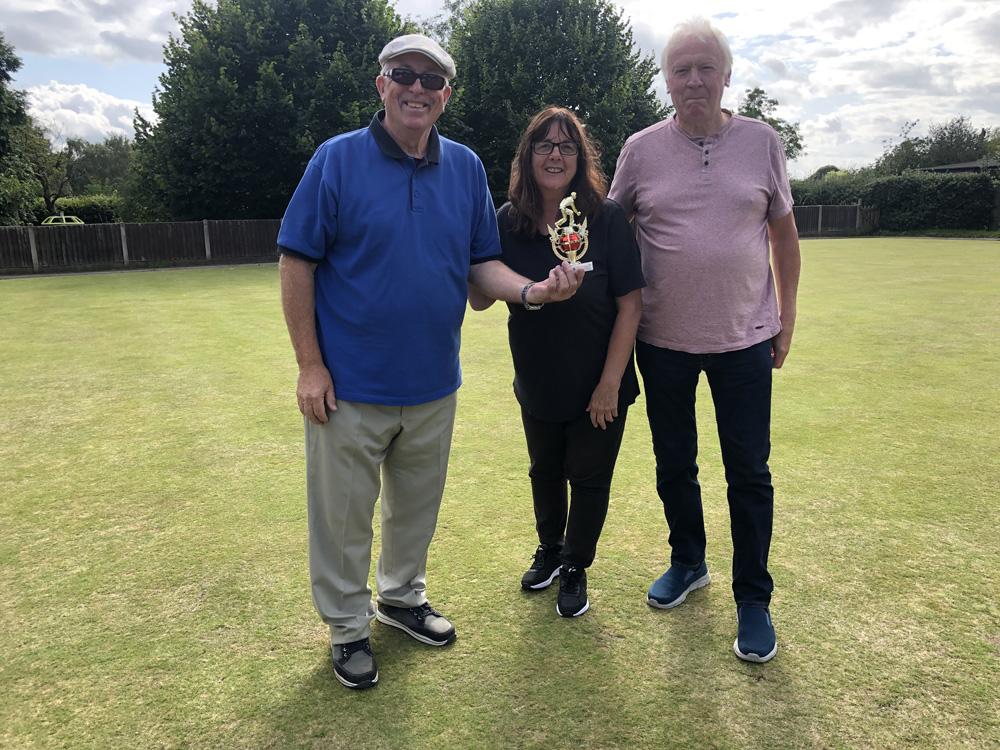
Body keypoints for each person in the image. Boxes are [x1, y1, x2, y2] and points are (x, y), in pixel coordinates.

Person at [277, 34, 584, 690]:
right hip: (349, 385)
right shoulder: (336, 160)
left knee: (414, 508)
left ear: (446, 95)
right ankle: (346, 628)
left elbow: (481, 265)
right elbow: (296, 259)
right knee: (342, 517)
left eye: (432, 79)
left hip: (433, 380)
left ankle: (400, 598)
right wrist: (309, 364)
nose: (417, 87)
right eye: (404, 75)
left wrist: (531, 291)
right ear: (382, 84)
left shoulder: (466, 167)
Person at [608, 17, 801, 663]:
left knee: (749, 472)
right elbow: (613, 235)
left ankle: (754, 598)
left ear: (725, 74)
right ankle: (689, 562)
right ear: (666, 80)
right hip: (662, 340)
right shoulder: (639, 149)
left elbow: (784, 237)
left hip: (746, 337)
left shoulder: (762, 142)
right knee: (675, 466)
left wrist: (787, 319)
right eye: (680, 69)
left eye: (704, 67)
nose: (693, 79)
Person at [468, 107, 644, 618]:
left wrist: (611, 381)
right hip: (538, 377)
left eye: (567, 146)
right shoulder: (508, 220)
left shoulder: (606, 217)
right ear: (528, 156)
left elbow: (630, 304)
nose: (555, 155)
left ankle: (575, 565)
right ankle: (549, 550)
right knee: (544, 471)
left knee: (588, 478)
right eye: (544, 145)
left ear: (580, 157)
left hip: (599, 381)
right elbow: (480, 298)